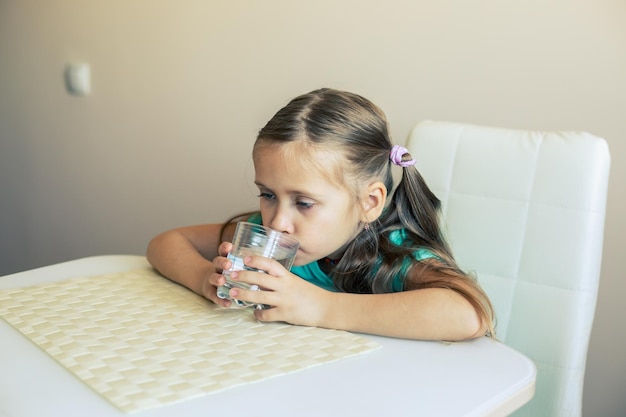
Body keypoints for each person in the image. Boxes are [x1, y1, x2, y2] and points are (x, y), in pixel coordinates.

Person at [147, 88, 495, 341]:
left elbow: (469, 314)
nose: (277, 222)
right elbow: (167, 242)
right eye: (268, 195)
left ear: (369, 203)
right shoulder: (265, 239)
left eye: (304, 203)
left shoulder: (390, 252)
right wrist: (205, 279)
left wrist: (319, 307)